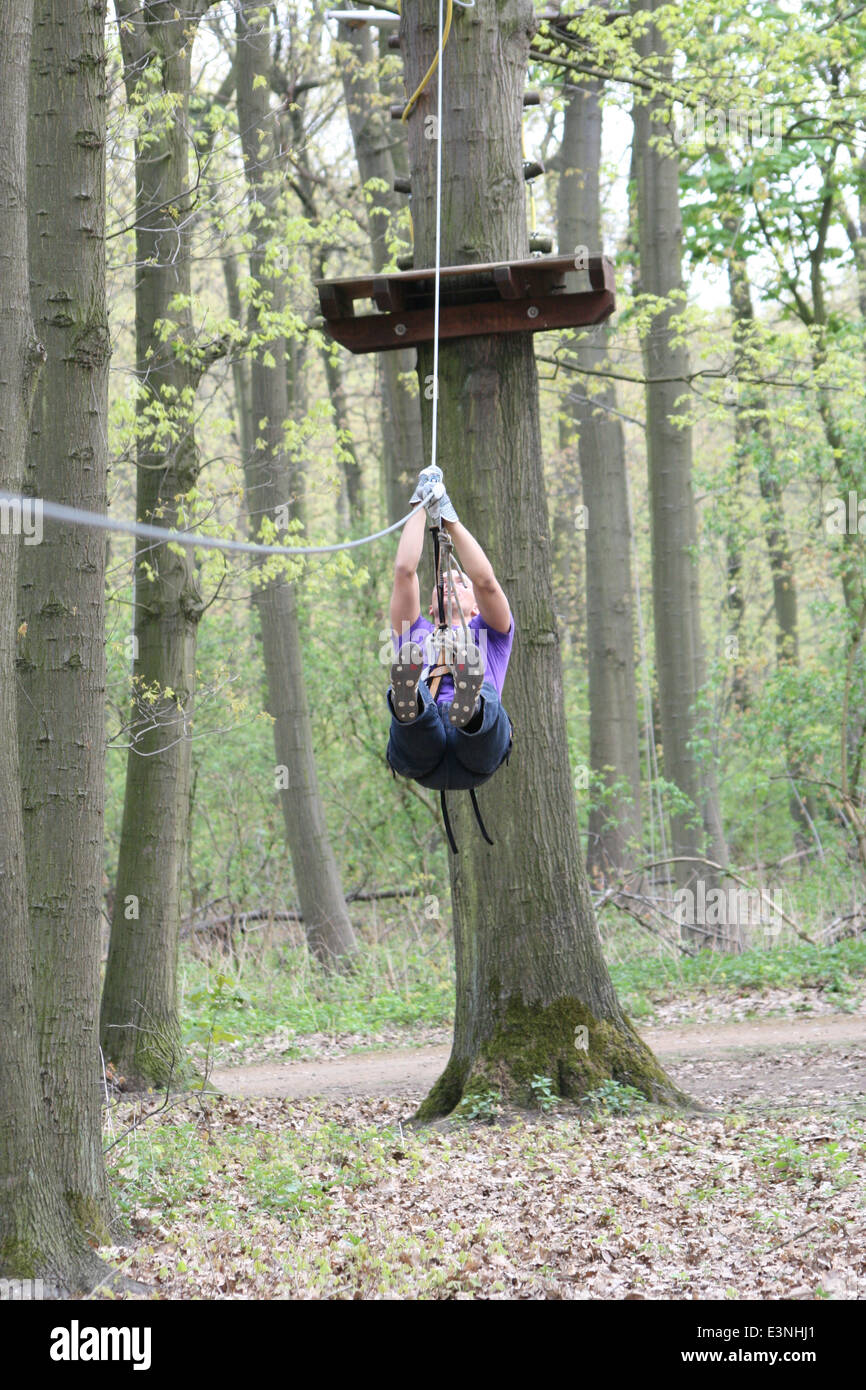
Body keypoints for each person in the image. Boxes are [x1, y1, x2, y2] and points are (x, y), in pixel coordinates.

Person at [385, 467, 514, 793]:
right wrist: (421, 502)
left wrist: (450, 518)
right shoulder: (413, 632)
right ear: (430, 607)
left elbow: (486, 582)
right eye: (443, 580)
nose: (448, 580)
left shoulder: (492, 634)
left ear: (475, 607)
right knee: (414, 714)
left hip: (478, 751)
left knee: (486, 705)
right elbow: (404, 571)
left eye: (459, 581)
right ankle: (410, 702)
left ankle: (468, 706)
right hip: (422, 756)